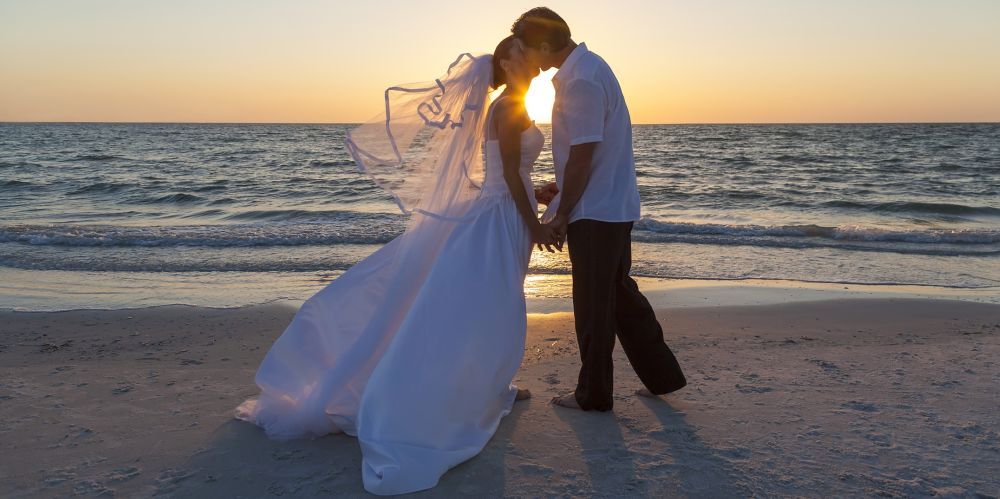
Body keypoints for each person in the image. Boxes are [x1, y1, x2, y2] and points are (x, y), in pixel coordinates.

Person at [235, 36, 558, 495]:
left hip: (508, 211)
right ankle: (458, 393)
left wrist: (536, 192)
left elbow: (516, 173)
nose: (536, 60)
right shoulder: (508, 107)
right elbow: (505, 174)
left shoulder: (516, 103)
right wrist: (537, 224)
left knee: (492, 304)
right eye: (526, 52)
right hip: (502, 217)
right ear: (506, 60)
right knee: (494, 305)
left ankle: (493, 385)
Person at [511, 7, 687, 411]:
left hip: (597, 211)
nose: (525, 57)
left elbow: (584, 154)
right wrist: (560, 189)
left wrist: (561, 213)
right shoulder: (587, 69)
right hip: (608, 202)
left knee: (593, 305)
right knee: (619, 295)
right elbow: (589, 152)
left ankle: (593, 394)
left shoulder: (582, 79)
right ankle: (663, 376)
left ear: (542, 44)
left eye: (525, 47)